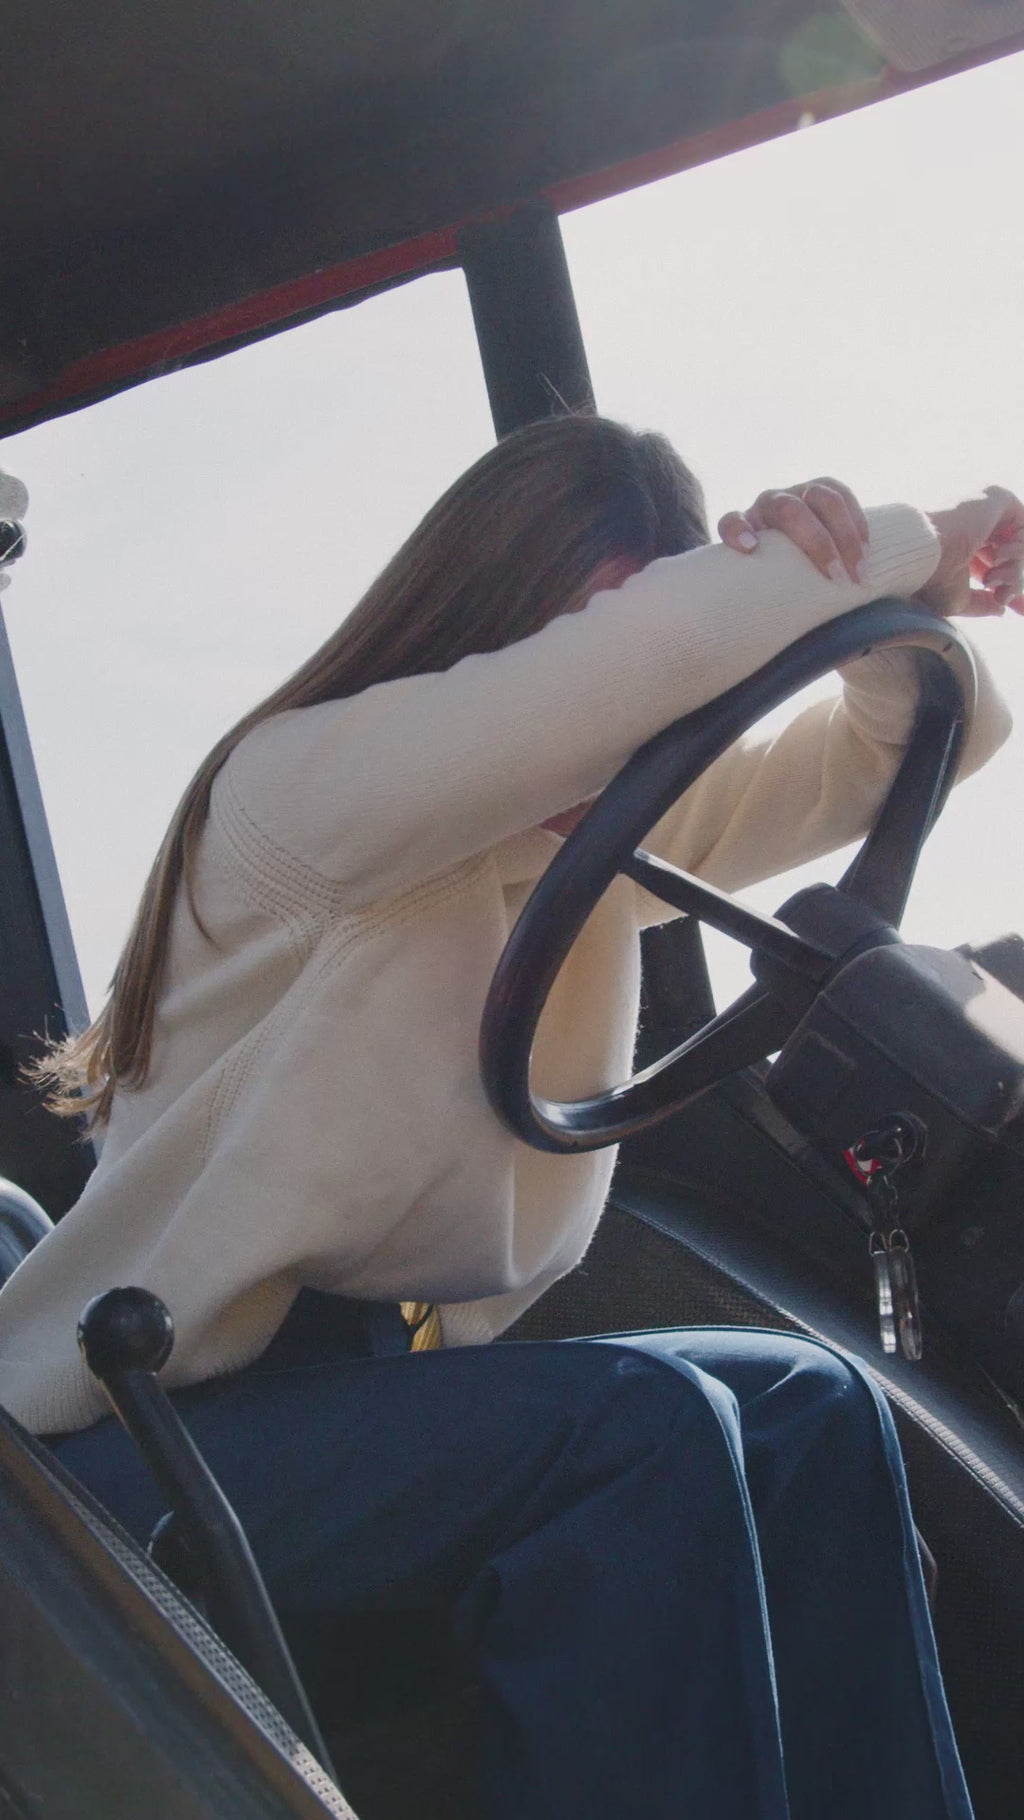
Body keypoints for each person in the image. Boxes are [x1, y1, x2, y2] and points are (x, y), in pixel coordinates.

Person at [1, 416, 1022, 1818]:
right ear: (492, 613)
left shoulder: (584, 845)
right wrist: (898, 543)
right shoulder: (303, 796)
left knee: (814, 1406)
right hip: (120, 1461)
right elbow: (660, 650)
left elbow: (905, 746)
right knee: (644, 1432)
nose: (631, 712)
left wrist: (885, 605)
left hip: (362, 1396)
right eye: (594, 638)